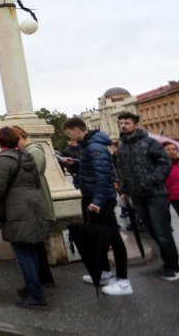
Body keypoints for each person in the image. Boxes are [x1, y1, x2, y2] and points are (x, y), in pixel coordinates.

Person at [0, 127, 49, 309]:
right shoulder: (27, 156)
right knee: (31, 251)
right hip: (34, 205)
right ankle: (32, 287)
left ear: (0, 142)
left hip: (17, 210)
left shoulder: (2, 160)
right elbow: (36, 182)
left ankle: (37, 296)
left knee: (23, 253)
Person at [61, 118, 132, 295]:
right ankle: (105, 273)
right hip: (93, 196)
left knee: (113, 238)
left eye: (70, 133)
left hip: (99, 200)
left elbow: (103, 177)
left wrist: (97, 202)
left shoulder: (94, 147)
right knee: (99, 237)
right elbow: (95, 169)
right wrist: (76, 163)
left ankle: (123, 282)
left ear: (77, 130)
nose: (70, 137)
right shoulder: (89, 146)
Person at [116, 111, 179, 281]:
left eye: (127, 122)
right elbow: (121, 170)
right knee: (151, 230)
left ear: (136, 124)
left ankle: (172, 266)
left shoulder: (149, 143)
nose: (123, 126)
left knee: (162, 230)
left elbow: (165, 164)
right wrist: (123, 190)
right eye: (121, 123)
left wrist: (150, 181)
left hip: (155, 194)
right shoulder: (122, 146)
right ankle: (170, 259)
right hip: (137, 196)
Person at [12, 126, 55, 288]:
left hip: (36, 200)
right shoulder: (29, 150)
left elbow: (30, 175)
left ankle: (43, 278)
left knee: (36, 243)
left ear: (19, 137)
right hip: (33, 199)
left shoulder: (34, 150)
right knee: (36, 243)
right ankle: (43, 277)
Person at [164, 141, 179, 218]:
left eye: (174, 149)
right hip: (175, 197)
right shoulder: (161, 165)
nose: (172, 151)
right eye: (168, 149)